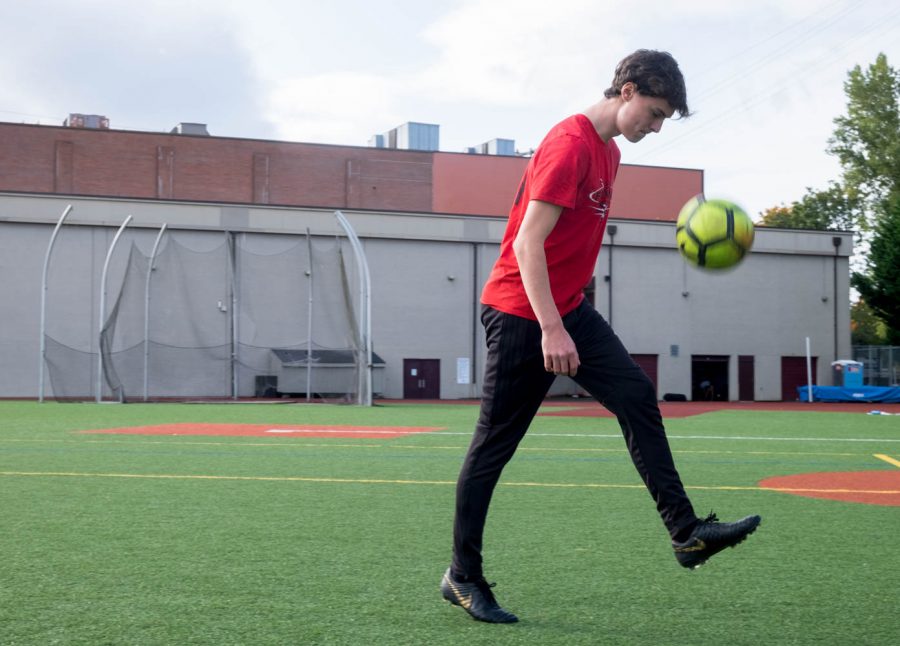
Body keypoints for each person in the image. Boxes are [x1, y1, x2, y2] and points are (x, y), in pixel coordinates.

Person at [440, 50, 761, 624]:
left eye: (664, 119)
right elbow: (526, 245)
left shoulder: (609, 152)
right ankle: (462, 577)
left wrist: (573, 312)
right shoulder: (569, 145)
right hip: (521, 314)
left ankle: (686, 534)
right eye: (655, 113)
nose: (656, 126)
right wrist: (552, 328)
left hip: (565, 309)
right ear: (628, 90)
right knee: (492, 450)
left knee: (636, 395)